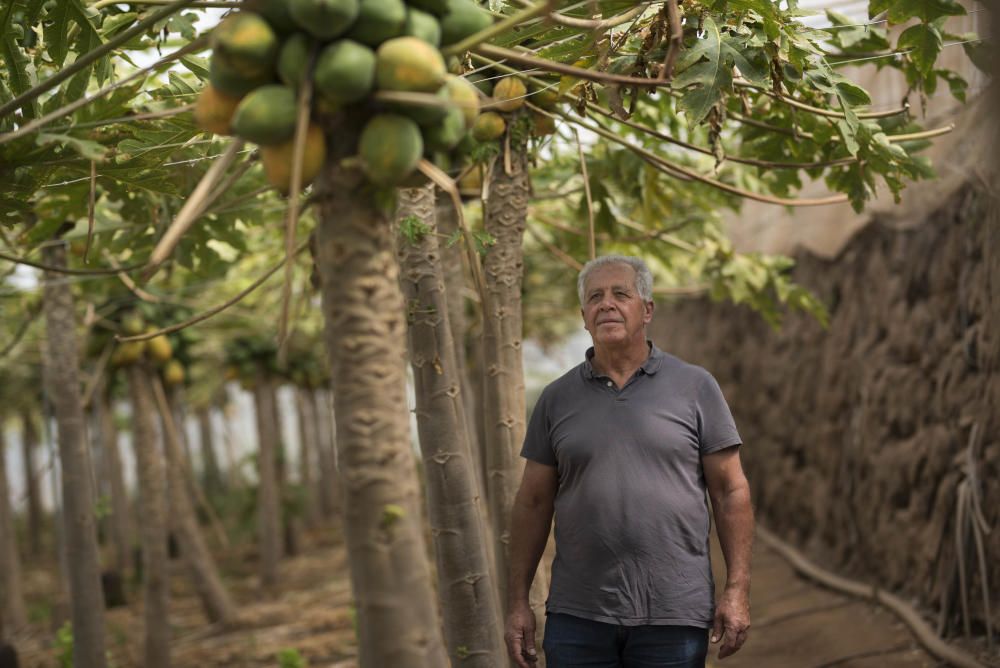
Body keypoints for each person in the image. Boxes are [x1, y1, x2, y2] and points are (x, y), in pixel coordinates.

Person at [504, 255, 753, 667]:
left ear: (647, 309)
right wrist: (517, 604)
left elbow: (730, 492)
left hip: (673, 613)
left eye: (621, 294)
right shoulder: (556, 399)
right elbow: (532, 502)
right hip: (577, 615)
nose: (607, 304)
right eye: (595, 297)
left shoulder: (694, 387)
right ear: (583, 316)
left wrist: (737, 591)